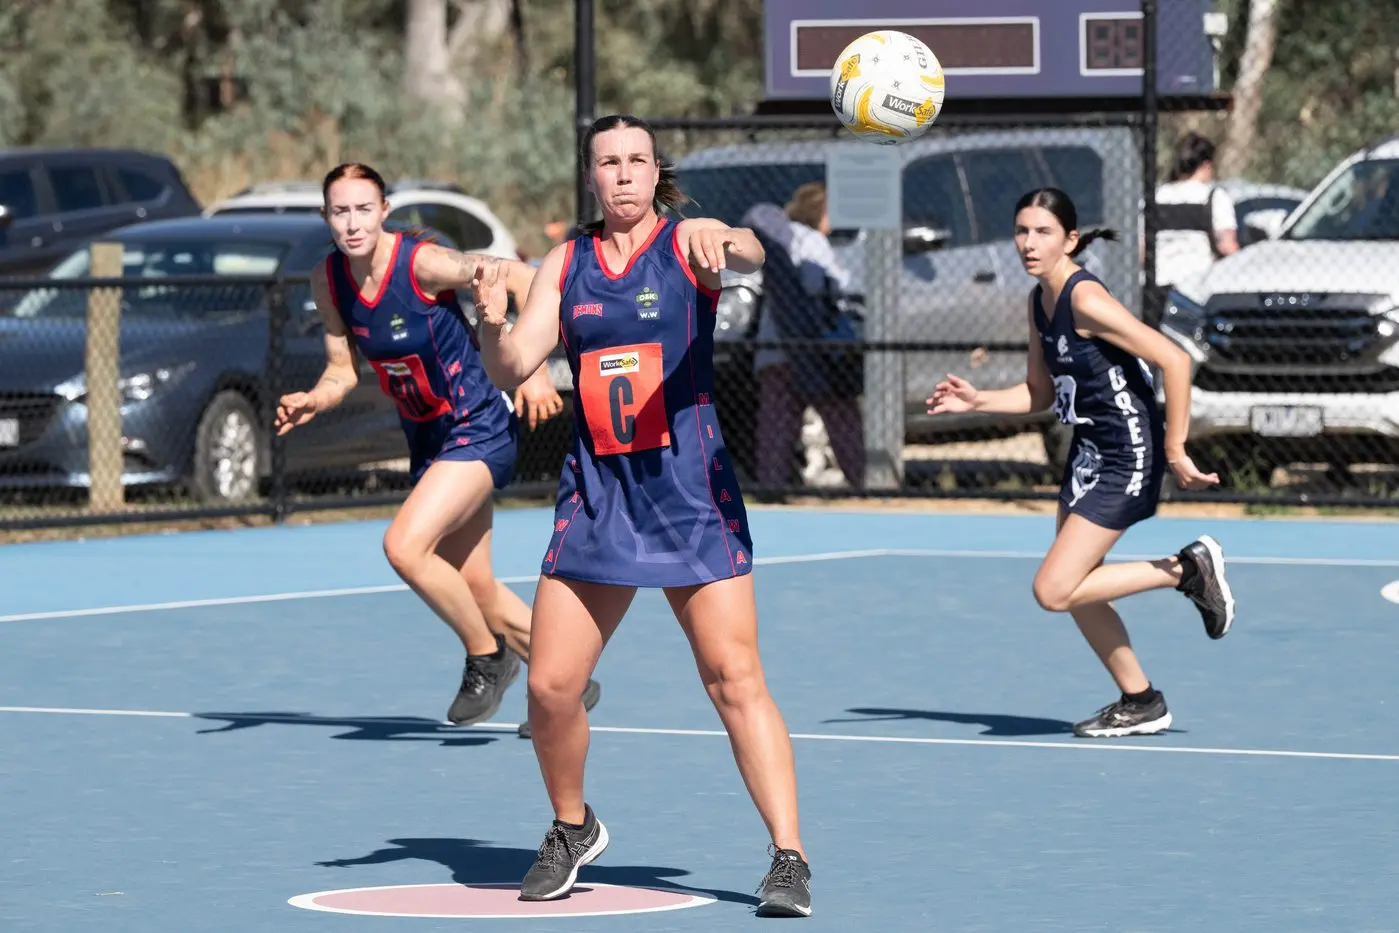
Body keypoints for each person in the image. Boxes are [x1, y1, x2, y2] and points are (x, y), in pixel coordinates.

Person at [469, 114, 812, 917]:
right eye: (607, 162)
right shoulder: (568, 261)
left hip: (691, 497)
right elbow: (515, 364)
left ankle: (788, 855)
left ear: (657, 171)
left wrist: (722, 232)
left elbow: (755, 253)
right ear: (589, 175)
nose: (622, 174)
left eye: (636, 161)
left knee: (732, 678)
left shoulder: (689, 245)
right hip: (599, 496)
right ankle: (571, 825)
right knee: (552, 687)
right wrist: (489, 319)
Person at [274, 161, 600, 737]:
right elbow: (340, 372)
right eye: (340, 211)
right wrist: (314, 400)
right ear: (326, 217)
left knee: (403, 546)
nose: (352, 223)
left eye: (363, 209)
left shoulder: (422, 263)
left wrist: (533, 368)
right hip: (428, 440)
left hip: (476, 427)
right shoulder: (329, 281)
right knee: (475, 588)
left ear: (384, 212)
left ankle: (488, 658)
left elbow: (524, 280)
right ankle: (566, 681)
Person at [928, 187, 1237, 739]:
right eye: (1021, 230)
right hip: (1090, 451)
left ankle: (1186, 570)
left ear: (1070, 239)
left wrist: (1176, 449)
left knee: (1053, 589)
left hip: (1129, 450)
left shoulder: (1085, 299)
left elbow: (1175, 359)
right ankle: (1141, 700)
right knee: (1076, 588)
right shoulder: (1037, 301)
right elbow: (1038, 394)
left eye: (1042, 232)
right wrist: (978, 401)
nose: (1028, 242)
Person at [748, 182, 865, 490]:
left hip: (775, 347)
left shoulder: (777, 240)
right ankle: (861, 479)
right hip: (816, 348)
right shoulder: (812, 241)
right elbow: (825, 283)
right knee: (841, 414)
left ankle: (771, 484)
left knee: (777, 421)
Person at [1147, 132, 1239, 327]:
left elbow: (1141, 250)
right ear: (1206, 165)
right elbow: (1227, 246)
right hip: (1196, 292)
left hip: (1156, 289)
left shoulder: (1156, 197)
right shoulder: (1214, 197)